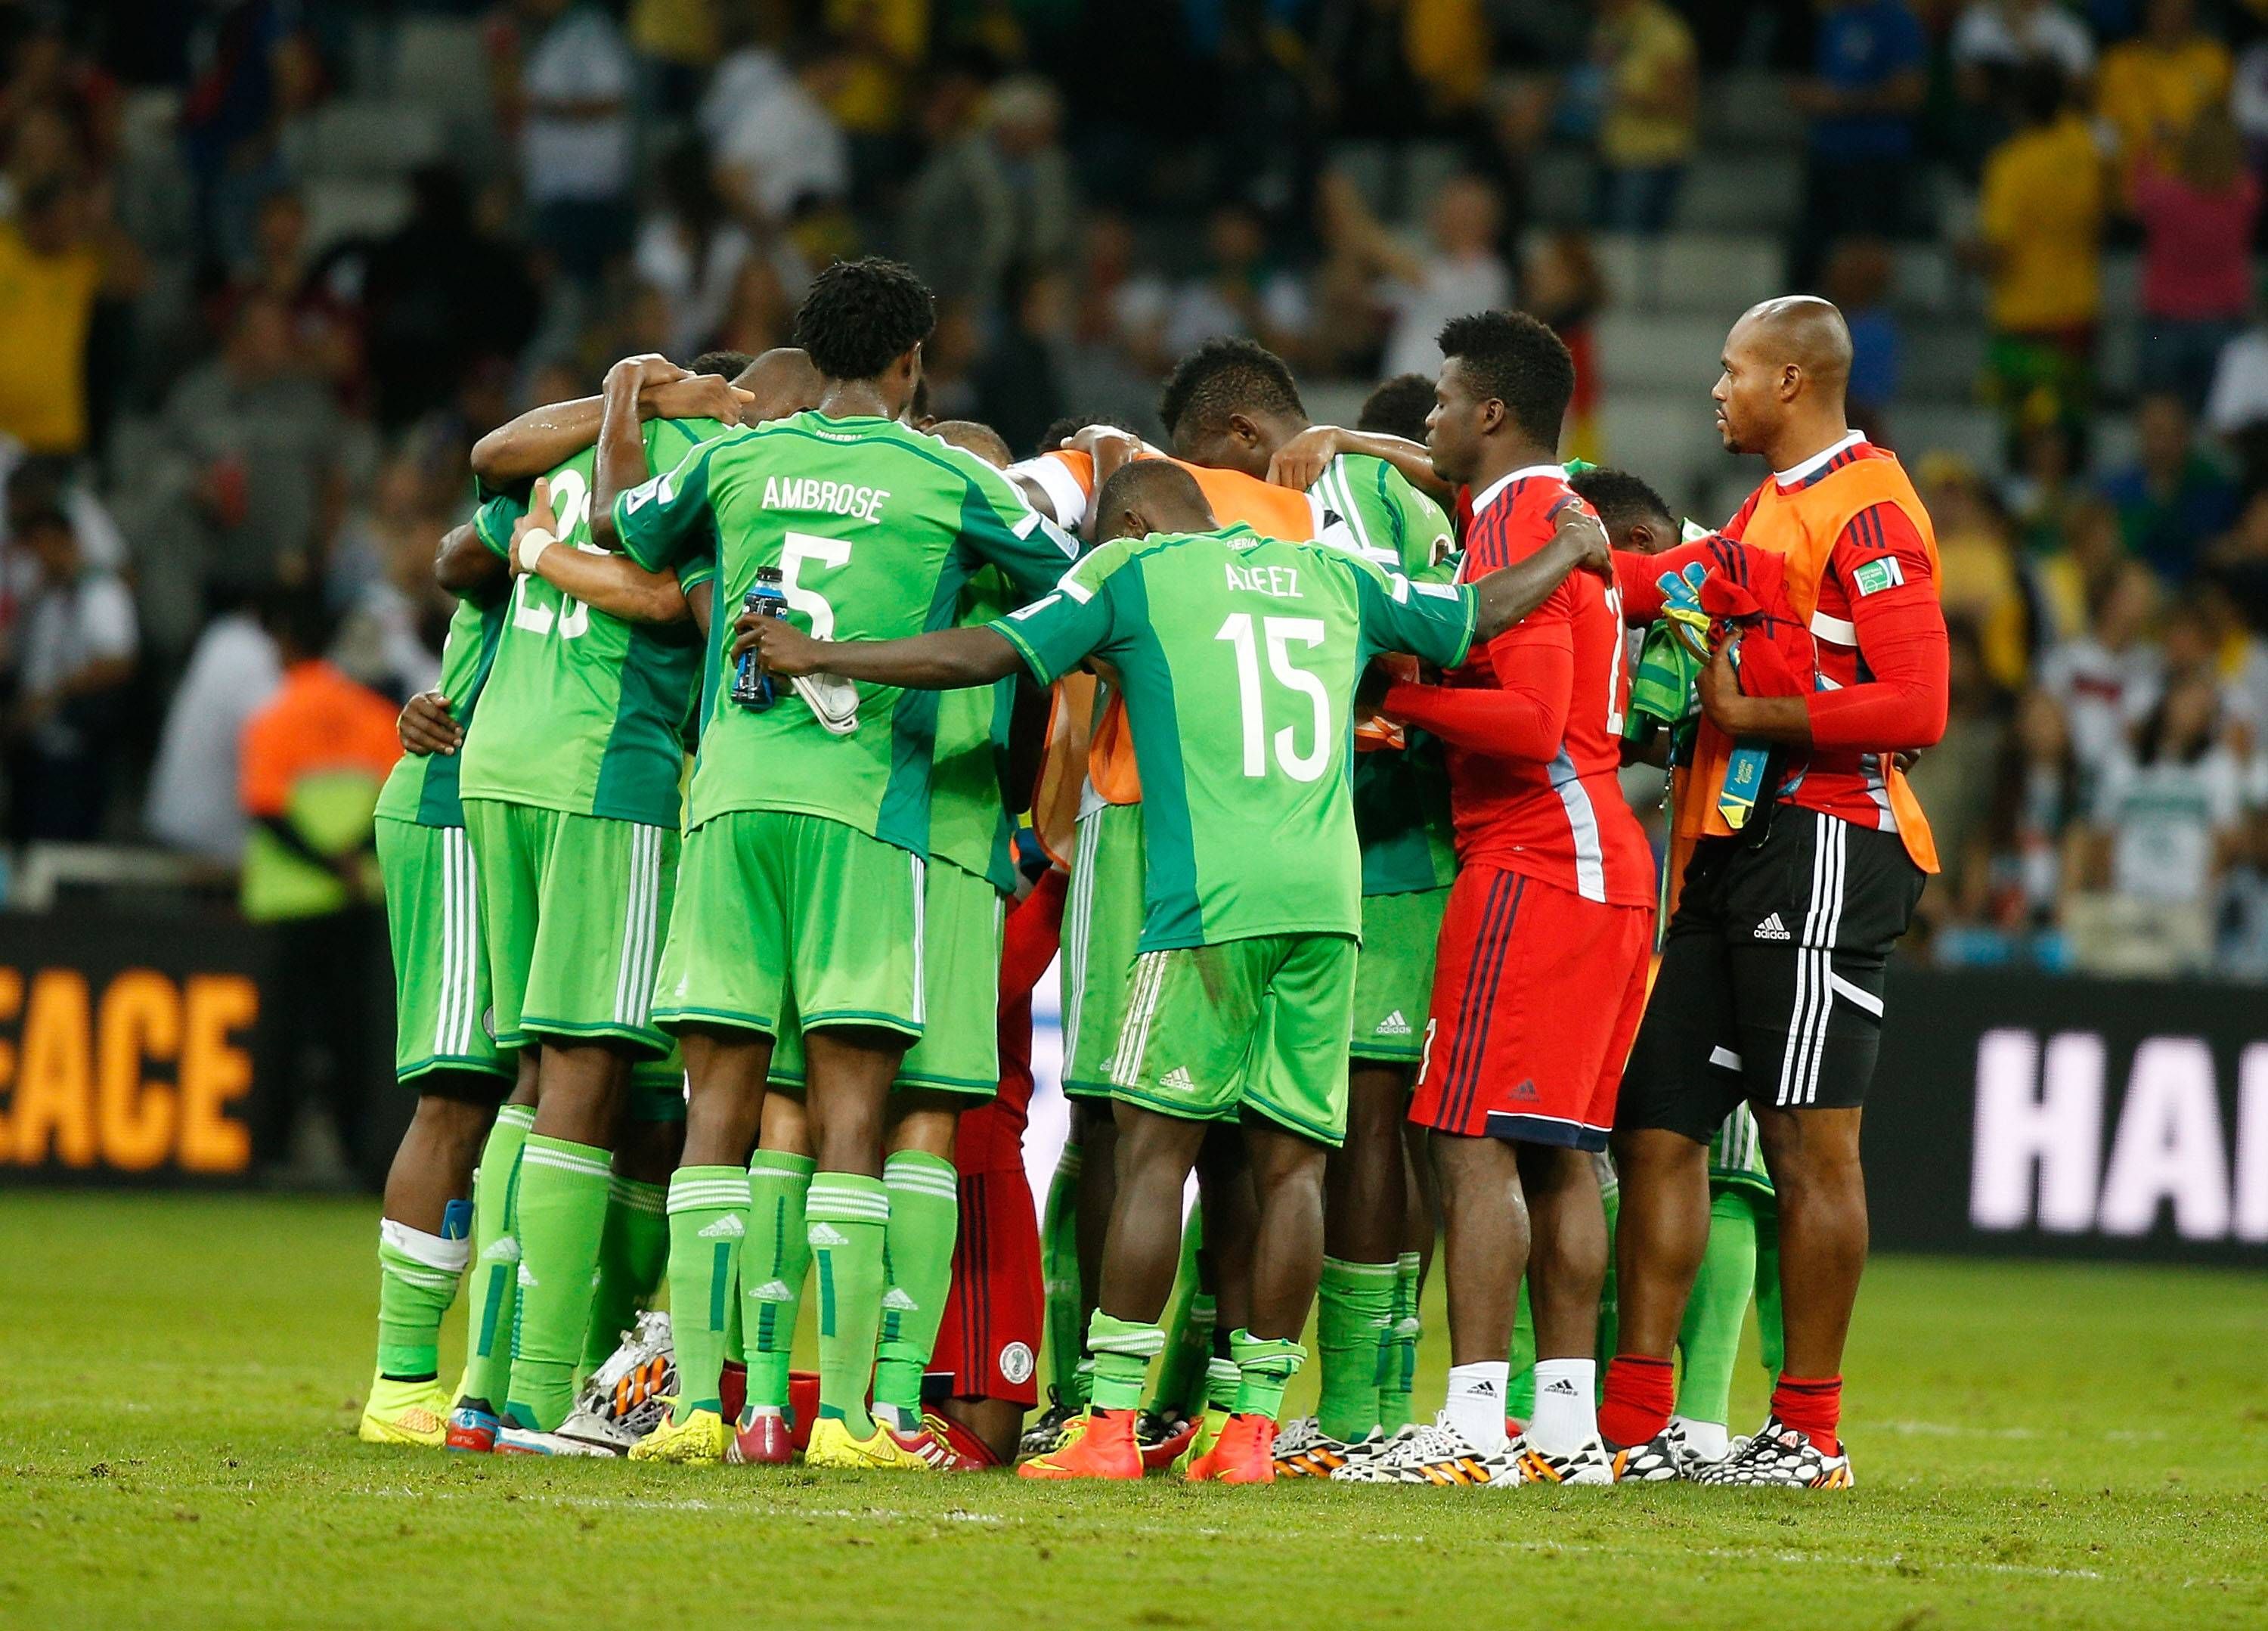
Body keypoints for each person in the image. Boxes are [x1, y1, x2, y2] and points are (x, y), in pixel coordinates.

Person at [743, 456, 1610, 1483]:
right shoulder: (1334, 570)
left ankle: (1110, 1420)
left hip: (1210, 900)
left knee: (1152, 1151)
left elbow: (988, 651)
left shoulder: (1134, 574)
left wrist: (826, 650)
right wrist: (1570, 549)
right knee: (1292, 1164)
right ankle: (1248, 1429)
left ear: (1139, 523)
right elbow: (1473, 612)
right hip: (1329, 905)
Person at [595, 259, 1078, 1471]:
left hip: (735, 802)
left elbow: (624, 523)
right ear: (914, 362)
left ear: (809, 358)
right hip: (873, 816)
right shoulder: (951, 477)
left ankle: (718, 1406)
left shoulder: (733, 462)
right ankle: (863, 1416)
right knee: (857, 1107)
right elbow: (1059, 597)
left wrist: (620, 402)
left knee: (727, 1105)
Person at [1597, 295, 1947, 1487]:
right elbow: (1664, 584)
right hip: (1732, 843)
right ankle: (1636, 1430)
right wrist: (1557, 560)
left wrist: (1753, 715)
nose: (1716, 388)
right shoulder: (1771, 507)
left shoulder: (1872, 507)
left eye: (1732, 370)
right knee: (1657, 1125)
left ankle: (1808, 1431)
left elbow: (1918, 705)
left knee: (1809, 1147)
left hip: (1828, 840)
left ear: (1791, 380)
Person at [1337, 313, 1655, 1488]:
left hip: (1535, 855)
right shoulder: (1552, 514)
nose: (1425, 422)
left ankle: (1475, 1424)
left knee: (1462, 1135)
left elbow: (1525, 727)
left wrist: (1394, 708)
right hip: (1608, 865)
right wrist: (1350, 441)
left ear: (1491, 414)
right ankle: (1564, 1429)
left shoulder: (1522, 518)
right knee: (1563, 1151)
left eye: (1442, 402)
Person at [1153, 337, 1460, 1474]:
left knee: (1316, 1130)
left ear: (1243, 439)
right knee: (1363, 1127)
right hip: (1407, 839)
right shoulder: (1407, 484)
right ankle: (1347, 1399)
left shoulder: (1334, 485)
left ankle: (1334, 1409)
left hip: (1342, 830)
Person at [438, 351, 751, 1457]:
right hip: (601, 769)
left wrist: (628, 393)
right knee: (586, 1069)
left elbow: (488, 458)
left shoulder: (569, 445)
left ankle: (482, 1385)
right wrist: (653, 398)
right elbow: (671, 598)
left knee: (531, 1073)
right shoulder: (719, 462)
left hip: (500, 762)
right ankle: (531, 1392)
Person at [355, 516, 518, 1448]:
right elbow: (452, 556)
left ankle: (543, 1375)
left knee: (594, 1099)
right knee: (461, 1092)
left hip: (605, 815)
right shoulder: (580, 483)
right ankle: (403, 1382)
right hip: (458, 806)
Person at [237, 591, 403, 1178]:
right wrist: (351, 860)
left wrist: (321, 862)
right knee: (355, 1038)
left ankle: (270, 1156)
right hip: (360, 899)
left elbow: (267, 812)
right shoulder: (376, 716)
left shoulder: (271, 721)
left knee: (280, 1038)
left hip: (291, 902)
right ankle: (363, 1160)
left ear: (285, 644)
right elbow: (393, 801)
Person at [1972, 63, 2105, 434]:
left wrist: (1964, 255)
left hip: (2024, 318)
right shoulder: (2085, 148)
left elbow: (1999, 251)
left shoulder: (2011, 165)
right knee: (2070, 428)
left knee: (2025, 434)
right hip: (2078, 311)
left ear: (2016, 106)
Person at [5, 503, 135, 841]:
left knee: (61, 844)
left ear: (67, 542)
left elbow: (118, 662)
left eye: (46, 546)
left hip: (74, 748)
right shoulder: (44, 596)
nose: (40, 558)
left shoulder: (100, 592)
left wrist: (55, 694)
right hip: (33, 743)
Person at [1786, 0, 1926, 292]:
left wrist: (1840, 103)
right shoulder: (1836, 21)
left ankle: (1866, 329)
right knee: (1809, 255)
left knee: (1865, 253)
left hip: (1875, 156)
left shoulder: (1897, 21)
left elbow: (1910, 92)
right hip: (1828, 155)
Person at [2132, 110, 2259, 412]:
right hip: (2223, 320)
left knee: (2161, 413)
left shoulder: (2164, 198)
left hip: (2165, 321)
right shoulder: (2246, 196)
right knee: (2220, 417)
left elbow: (2138, 185)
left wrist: (2156, 144)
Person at [1588, 0, 1699, 237]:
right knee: (1603, 247)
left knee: (1627, 248)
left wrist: (1626, 97)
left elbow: (1681, 104)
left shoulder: (1664, 31)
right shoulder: (1609, 25)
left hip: (1650, 161)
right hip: (1611, 154)